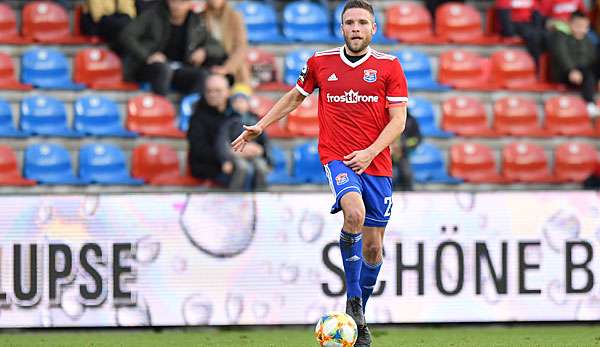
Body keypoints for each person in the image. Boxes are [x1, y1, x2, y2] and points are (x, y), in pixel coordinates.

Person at [232, 1, 407, 345]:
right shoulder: (320, 62)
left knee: (374, 249)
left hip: (377, 164)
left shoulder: (389, 67)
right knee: (353, 213)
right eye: (349, 23)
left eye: (362, 23)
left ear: (374, 28)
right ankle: (353, 302)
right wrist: (261, 126)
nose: (355, 28)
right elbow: (294, 97)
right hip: (338, 158)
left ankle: (359, 316)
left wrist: (371, 152)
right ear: (341, 28)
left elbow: (398, 121)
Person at [119, 0, 227, 95]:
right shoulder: (153, 14)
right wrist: (148, 56)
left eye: (182, 1)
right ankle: (161, 110)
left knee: (202, 75)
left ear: (190, 4)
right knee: (163, 70)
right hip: (149, 67)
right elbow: (126, 35)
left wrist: (204, 51)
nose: (176, 5)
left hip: (178, 69)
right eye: (173, 1)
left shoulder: (195, 22)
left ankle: (192, 110)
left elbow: (218, 47)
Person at [188, 74, 269, 191]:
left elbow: (256, 138)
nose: (212, 95)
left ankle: (259, 203)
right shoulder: (197, 117)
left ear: (227, 92)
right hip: (211, 167)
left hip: (237, 160)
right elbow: (199, 150)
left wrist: (258, 149)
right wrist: (230, 156)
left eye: (217, 91)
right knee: (246, 172)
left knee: (259, 168)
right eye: (209, 91)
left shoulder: (235, 113)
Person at [549, 11, 600, 116]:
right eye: (578, 26)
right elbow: (561, 55)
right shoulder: (561, 37)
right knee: (587, 73)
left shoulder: (588, 41)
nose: (581, 29)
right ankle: (590, 103)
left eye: (585, 27)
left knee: (590, 70)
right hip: (565, 73)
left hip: (584, 72)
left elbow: (593, 60)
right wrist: (571, 69)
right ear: (570, 24)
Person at [203, 0, 251, 86]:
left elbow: (241, 48)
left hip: (233, 67)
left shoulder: (235, 17)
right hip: (209, 65)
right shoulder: (200, 17)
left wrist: (226, 68)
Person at [495, 0, 547, 66]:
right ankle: (535, 68)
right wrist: (510, 33)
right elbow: (504, 15)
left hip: (528, 25)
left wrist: (537, 29)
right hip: (513, 24)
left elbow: (536, 13)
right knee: (533, 37)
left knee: (542, 36)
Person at [391, 111, 422, 191]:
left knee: (406, 174)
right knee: (390, 176)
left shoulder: (411, 121)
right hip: (387, 154)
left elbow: (417, 139)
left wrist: (402, 145)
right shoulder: (385, 119)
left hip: (403, 155)